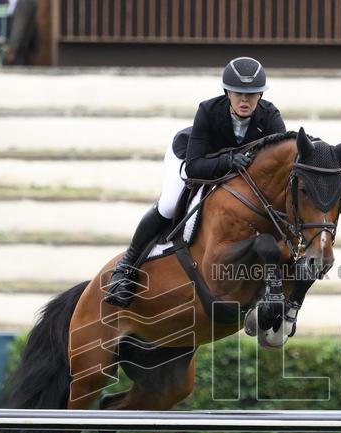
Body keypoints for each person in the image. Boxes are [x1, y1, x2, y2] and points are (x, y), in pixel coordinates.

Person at [103, 56, 287, 307]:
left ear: (260, 96)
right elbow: (194, 167)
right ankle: (125, 268)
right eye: (238, 93)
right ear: (227, 92)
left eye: (252, 94)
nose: (245, 100)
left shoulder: (270, 117)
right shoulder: (208, 111)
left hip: (237, 174)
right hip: (191, 157)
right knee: (168, 205)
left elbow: (276, 165)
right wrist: (228, 161)